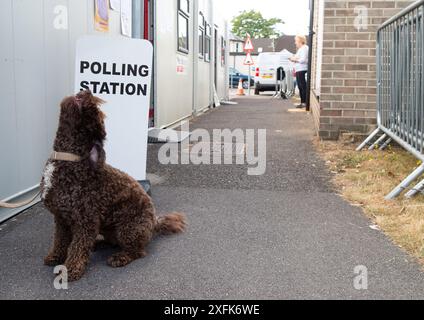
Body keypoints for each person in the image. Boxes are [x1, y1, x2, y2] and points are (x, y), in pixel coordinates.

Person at [289, 35, 309, 109]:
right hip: (298, 69)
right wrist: (294, 58)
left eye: (296, 41)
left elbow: (303, 60)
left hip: (302, 69)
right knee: (300, 87)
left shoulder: (304, 48)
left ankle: (305, 102)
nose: (295, 43)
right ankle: (302, 102)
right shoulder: (301, 49)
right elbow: (296, 57)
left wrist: (294, 59)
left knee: (303, 86)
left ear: (300, 41)